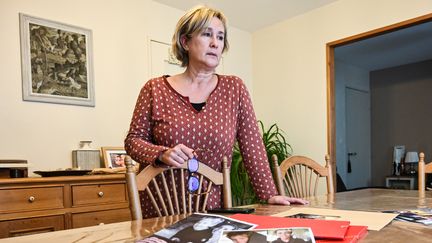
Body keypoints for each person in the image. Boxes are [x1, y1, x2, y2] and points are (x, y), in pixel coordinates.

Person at [124, 5, 308, 218]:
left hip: (212, 211)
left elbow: (253, 147)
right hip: (159, 211)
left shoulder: (234, 88)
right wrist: (161, 153)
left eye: (220, 38)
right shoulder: (154, 89)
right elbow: (133, 141)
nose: (215, 43)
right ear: (185, 42)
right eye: (206, 34)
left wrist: (270, 194)